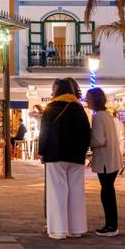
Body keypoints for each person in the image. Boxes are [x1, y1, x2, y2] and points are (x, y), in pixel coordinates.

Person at [39, 78, 90, 239]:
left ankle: (58, 230)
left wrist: (42, 152)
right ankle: (76, 229)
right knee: (76, 191)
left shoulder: (51, 108)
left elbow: (45, 133)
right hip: (76, 156)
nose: (52, 92)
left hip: (56, 155)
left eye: (53, 89)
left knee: (57, 191)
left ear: (58, 90)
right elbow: (87, 132)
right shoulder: (79, 108)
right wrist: (83, 151)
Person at [86, 87, 122, 237]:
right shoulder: (107, 115)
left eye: (88, 98)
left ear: (95, 100)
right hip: (113, 159)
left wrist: (88, 140)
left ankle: (111, 226)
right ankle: (111, 224)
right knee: (108, 191)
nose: (87, 101)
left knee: (106, 192)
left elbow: (99, 140)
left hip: (105, 160)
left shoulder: (98, 116)